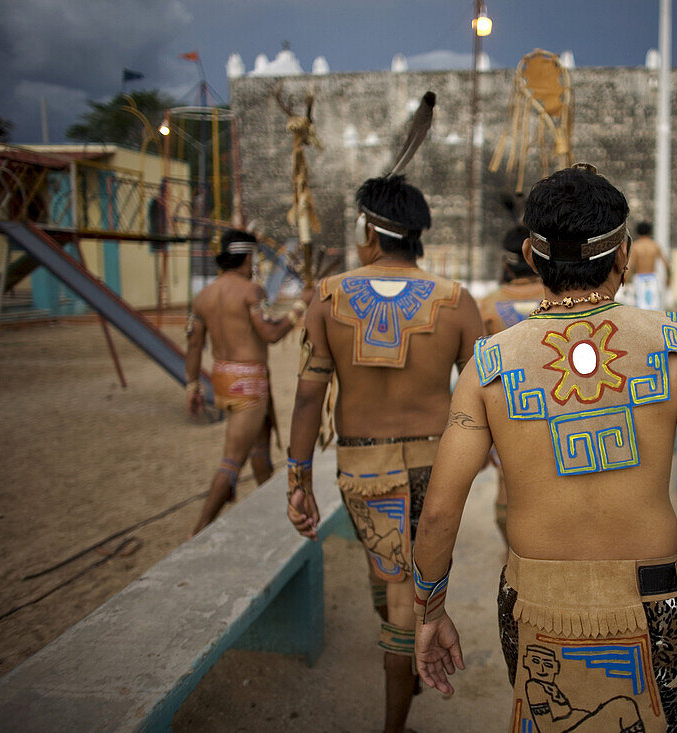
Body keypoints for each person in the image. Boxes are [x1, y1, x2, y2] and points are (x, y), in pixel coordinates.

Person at [411, 165, 677, 732]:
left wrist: (430, 609)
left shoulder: (489, 366)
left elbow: (442, 510)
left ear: (531, 252)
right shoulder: (674, 347)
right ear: (622, 255)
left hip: (534, 599)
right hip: (654, 598)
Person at [285, 174, 483, 733]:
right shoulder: (456, 301)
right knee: (404, 590)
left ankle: (393, 725)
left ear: (367, 230)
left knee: (396, 595)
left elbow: (307, 395)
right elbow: (481, 398)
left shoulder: (326, 299)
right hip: (437, 466)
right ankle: (407, 665)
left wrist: (296, 479)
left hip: (363, 472)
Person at [186, 229, 309, 536]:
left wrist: (192, 386)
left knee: (258, 451)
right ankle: (199, 530)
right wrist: (299, 308)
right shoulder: (250, 292)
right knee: (233, 460)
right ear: (246, 258)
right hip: (249, 381)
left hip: (223, 378)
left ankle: (279, 515)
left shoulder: (203, 297)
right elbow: (270, 333)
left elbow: (192, 345)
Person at [478, 225, 546, 543]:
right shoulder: (559, 299)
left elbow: (474, 370)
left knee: (507, 486)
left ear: (506, 265)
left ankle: (513, 554)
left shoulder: (488, 306)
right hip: (561, 412)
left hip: (506, 414)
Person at [627, 221, 670, 311]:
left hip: (639, 278)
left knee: (641, 309)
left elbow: (631, 266)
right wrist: (669, 279)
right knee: (655, 308)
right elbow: (666, 264)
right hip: (653, 278)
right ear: (650, 232)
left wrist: (626, 281)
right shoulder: (654, 245)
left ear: (637, 232)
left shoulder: (636, 246)